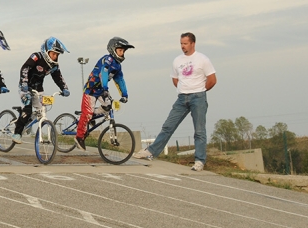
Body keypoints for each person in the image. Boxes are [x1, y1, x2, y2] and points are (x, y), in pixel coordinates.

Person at [133, 32, 217, 171]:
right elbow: (175, 79)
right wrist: (183, 88)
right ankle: (151, 151)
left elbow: (212, 80)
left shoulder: (203, 59)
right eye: (181, 44)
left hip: (198, 97)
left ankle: (199, 160)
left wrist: (200, 90)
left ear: (192, 43)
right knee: (168, 126)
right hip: (182, 98)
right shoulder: (177, 60)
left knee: (199, 131)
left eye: (185, 43)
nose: (182, 46)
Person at [75, 37, 134, 151]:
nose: (122, 53)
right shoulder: (107, 60)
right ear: (113, 50)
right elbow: (104, 73)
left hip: (102, 90)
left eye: (123, 51)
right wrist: (106, 88)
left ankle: (92, 115)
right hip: (91, 89)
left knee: (108, 107)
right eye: (120, 50)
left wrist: (124, 95)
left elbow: (120, 80)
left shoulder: (117, 66)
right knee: (87, 114)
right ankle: (79, 137)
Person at [12, 37, 70, 143]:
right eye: (54, 54)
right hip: (26, 87)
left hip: (38, 89)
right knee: (28, 109)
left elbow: (58, 77)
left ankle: (27, 120)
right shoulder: (36, 57)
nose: (55, 57)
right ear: (46, 51)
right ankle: (17, 133)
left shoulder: (54, 65)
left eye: (57, 55)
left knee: (41, 110)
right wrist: (24, 82)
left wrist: (64, 88)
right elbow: (25, 68)